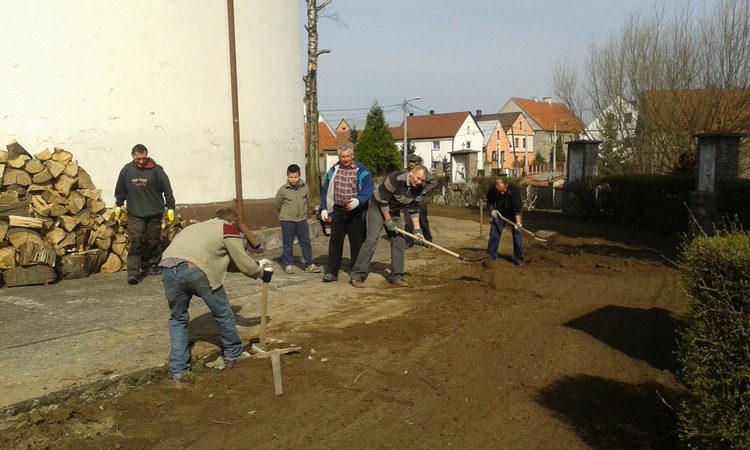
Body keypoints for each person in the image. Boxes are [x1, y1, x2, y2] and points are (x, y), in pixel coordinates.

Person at [158, 207, 273, 380]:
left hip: (167, 270)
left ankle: (179, 371)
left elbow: (227, 263)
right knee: (223, 313)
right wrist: (262, 273)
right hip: (197, 269)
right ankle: (233, 355)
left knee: (177, 319)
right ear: (233, 222)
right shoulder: (228, 228)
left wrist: (255, 266)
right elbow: (243, 262)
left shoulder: (195, 228)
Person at [349, 165, 429, 288]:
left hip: (394, 211)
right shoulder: (395, 178)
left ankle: (396, 276)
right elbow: (383, 201)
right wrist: (389, 221)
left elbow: (413, 210)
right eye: (418, 178)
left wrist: (417, 231)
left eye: (422, 180)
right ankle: (357, 275)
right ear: (412, 172)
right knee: (371, 240)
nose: (419, 182)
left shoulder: (419, 188)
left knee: (399, 241)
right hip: (377, 207)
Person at [114, 144, 176, 285]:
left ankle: (154, 264)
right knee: (136, 240)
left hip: (154, 212)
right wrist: (119, 204)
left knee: (153, 240)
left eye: (144, 158)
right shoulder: (127, 171)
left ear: (147, 155)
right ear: (133, 156)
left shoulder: (157, 170)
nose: (141, 161)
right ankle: (133, 272)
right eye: (138, 159)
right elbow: (120, 189)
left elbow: (167, 189)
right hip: (135, 212)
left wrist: (170, 207)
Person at [319, 143, 374, 282]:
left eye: (348, 156)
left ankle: (357, 273)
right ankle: (331, 272)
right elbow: (326, 190)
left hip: (356, 211)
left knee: (357, 243)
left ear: (353, 156)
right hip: (338, 210)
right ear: (339, 157)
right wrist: (324, 207)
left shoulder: (362, 171)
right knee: (335, 242)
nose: (345, 159)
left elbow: (368, 189)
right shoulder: (333, 170)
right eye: (342, 156)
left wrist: (359, 200)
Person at [274, 164, 322, 274]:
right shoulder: (283, 190)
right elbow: (278, 204)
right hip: (287, 221)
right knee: (288, 243)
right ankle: (288, 264)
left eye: (295, 177)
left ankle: (309, 265)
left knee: (305, 242)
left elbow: (307, 200)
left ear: (299, 176)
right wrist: (286, 214)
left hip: (302, 220)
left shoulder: (305, 188)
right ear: (287, 176)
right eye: (291, 177)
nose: (293, 179)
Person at [486, 177, 524, 266]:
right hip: (500, 213)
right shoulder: (492, 190)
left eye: (503, 190)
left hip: (513, 213)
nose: (502, 193)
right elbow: (490, 203)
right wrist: (493, 211)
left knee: (517, 234)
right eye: (499, 192)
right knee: (494, 232)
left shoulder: (514, 190)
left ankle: (518, 258)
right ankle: (491, 255)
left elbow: (517, 209)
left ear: (506, 185)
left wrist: (518, 223)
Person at [404, 153, 437, 246]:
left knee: (423, 221)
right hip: (408, 201)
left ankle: (428, 239)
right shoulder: (404, 172)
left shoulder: (421, 171)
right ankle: (408, 241)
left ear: (416, 162)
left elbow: (433, 181)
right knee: (408, 222)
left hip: (420, 201)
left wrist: (424, 191)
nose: (411, 164)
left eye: (413, 162)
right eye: (409, 161)